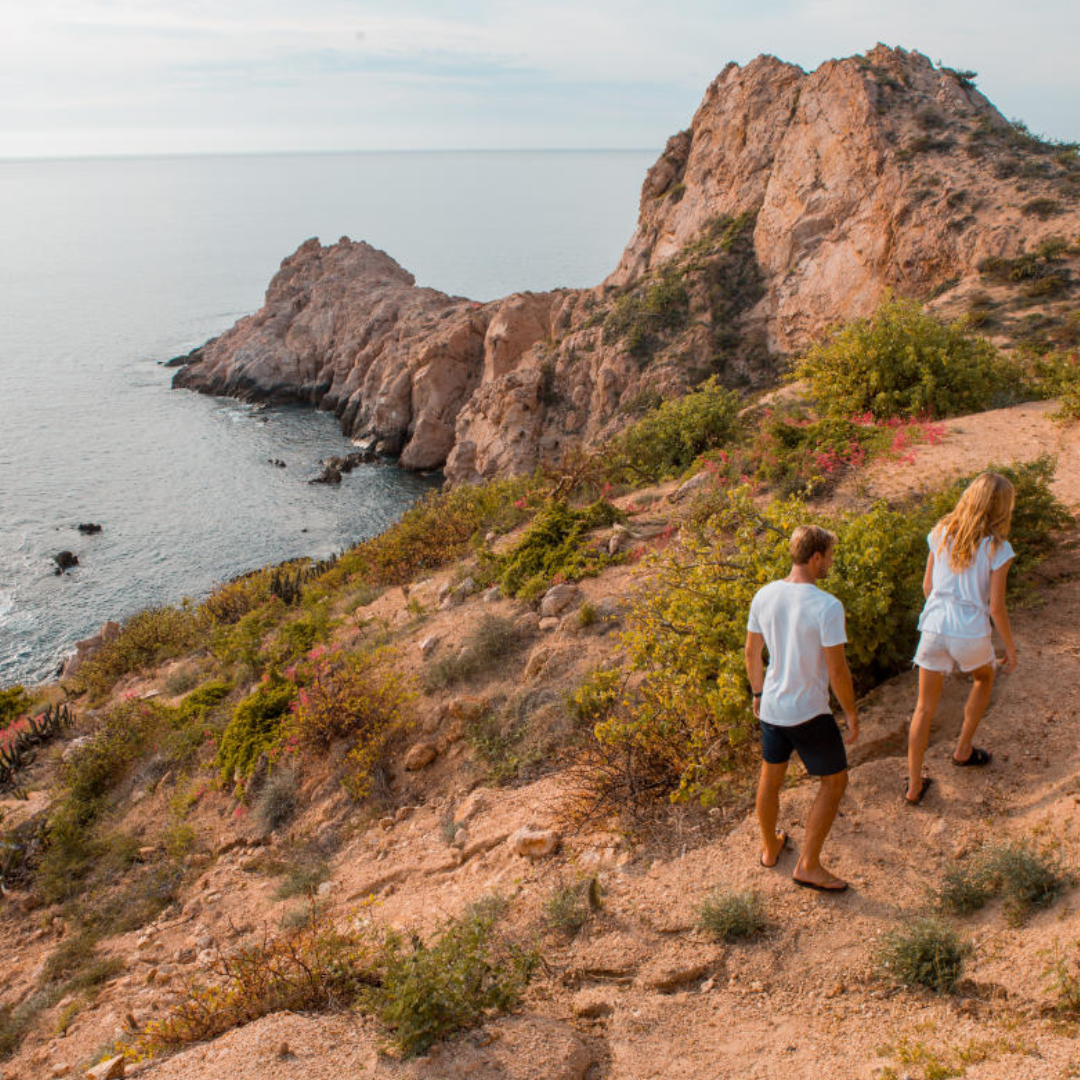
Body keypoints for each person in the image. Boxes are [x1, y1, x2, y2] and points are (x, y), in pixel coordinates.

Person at [745, 525, 859, 892]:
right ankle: (808, 864)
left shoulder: (764, 595)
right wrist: (851, 715)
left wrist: (759, 693)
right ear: (815, 558)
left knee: (770, 780)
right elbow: (837, 670)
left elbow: (751, 653)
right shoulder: (827, 605)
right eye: (829, 557)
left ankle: (769, 848)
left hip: (774, 708)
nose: (830, 563)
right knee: (834, 781)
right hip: (809, 711)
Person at [905, 472, 1017, 804]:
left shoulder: (939, 533)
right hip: (969, 629)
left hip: (934, 625)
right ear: (1001, 507)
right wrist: (1008, 648)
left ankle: (913, 786)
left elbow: (927, 588)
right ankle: (963, 749)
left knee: (923, 708)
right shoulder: (998, 547)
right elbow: (996, 606)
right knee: (984, 677)